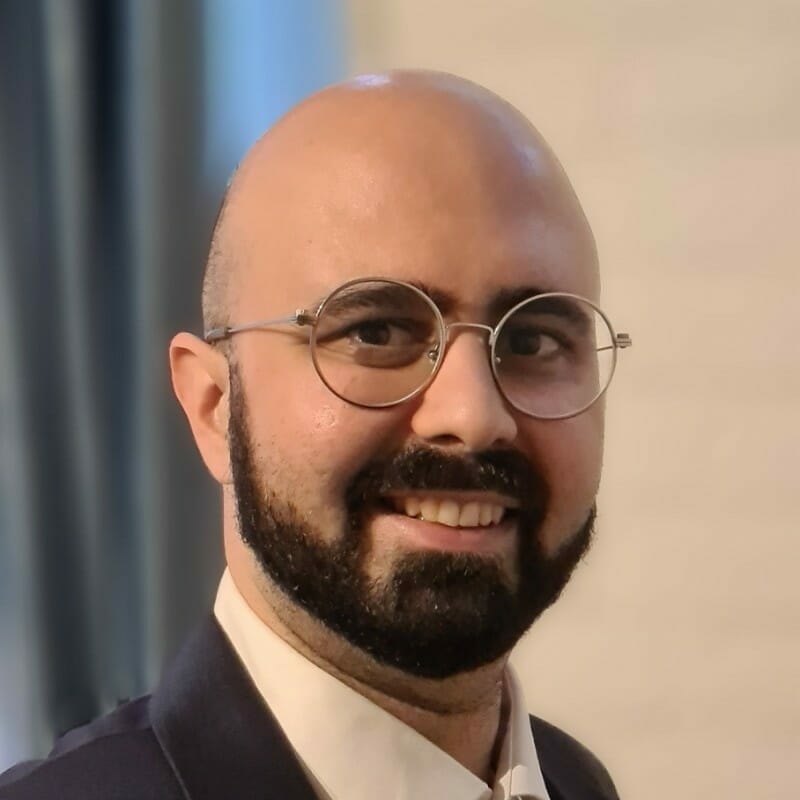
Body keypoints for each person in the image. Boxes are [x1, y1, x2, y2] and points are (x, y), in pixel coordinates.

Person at [0, 70, 630, 800]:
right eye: (376, 330)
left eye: (531, 341)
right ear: (213, 405)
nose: (473, 416)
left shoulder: (577, 784)